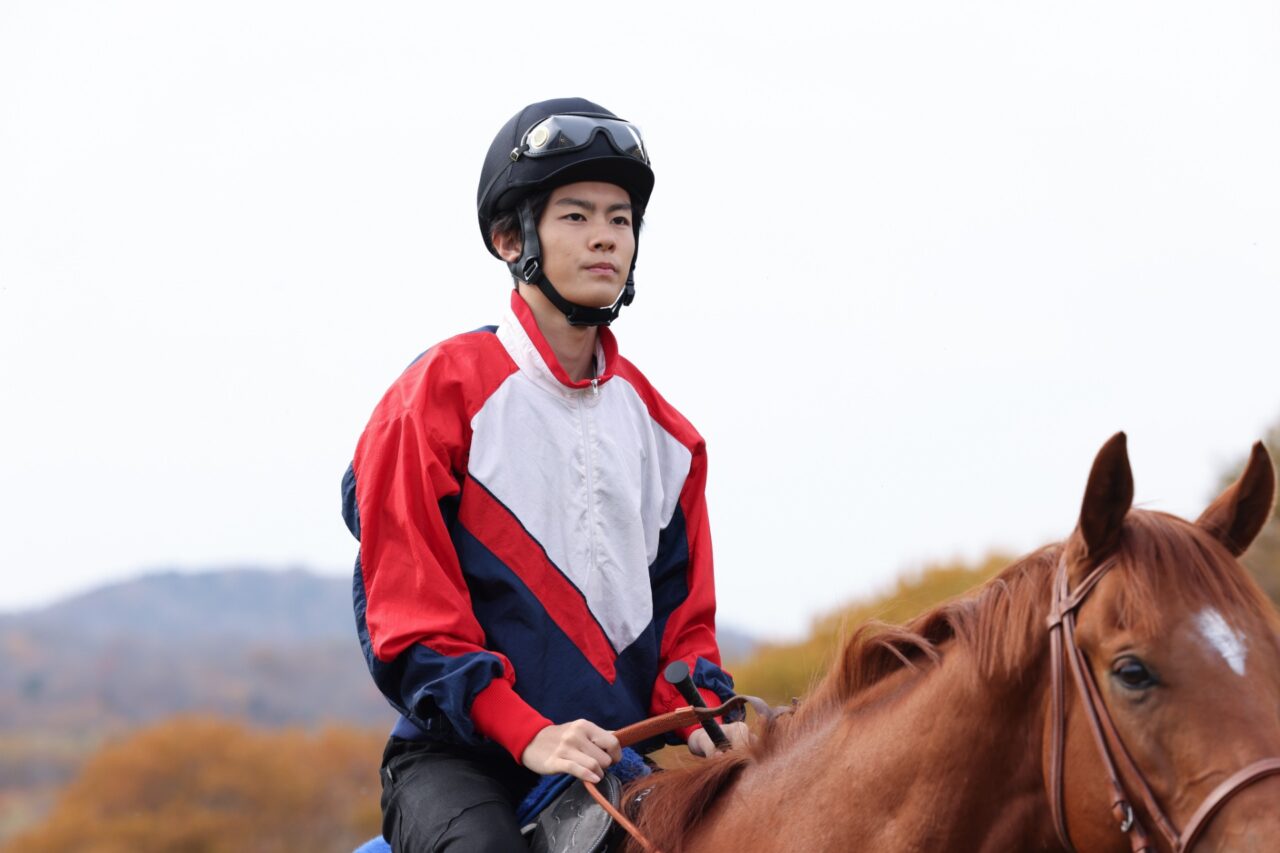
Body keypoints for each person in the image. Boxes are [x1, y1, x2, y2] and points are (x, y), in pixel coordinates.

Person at [342, 97, 748, 852]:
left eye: (621, 218)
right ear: (509, 238)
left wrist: (703, 710)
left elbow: (684, 625)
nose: (605, 237)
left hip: (609, 758)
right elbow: (411, 622)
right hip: (459, 760)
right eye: (575, 216)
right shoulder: (433, 398)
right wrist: (528, 733)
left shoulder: (672, 440)